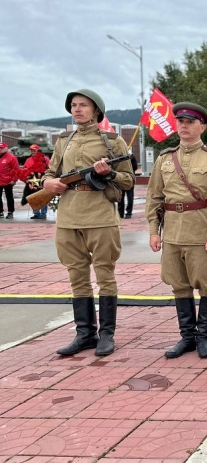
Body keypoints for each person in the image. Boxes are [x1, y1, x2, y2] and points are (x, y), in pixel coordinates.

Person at [42, 89, 135, 356]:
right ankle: (84, 334)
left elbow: (127, 180)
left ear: (96, 110)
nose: (77, 109)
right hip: (69, 215)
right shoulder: (64, 141)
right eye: (74, 105)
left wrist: (111, 172)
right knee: (76, 275)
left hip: (100, 214)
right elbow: (51, 173)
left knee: (105, 273)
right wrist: (48, 183)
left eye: (83, 105)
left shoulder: (113, 142)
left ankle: (106, 334)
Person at [146, 102, 207, 359]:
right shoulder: (164, 159)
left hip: (202, 232)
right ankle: (187, 337)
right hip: (173, 234)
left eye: (190, 122)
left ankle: (203, 337)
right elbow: (154, 197)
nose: (184, 126)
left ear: (202, 126)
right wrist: (154, 231)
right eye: (180, 122)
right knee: (179, 286)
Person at [21, 144, 50, 219]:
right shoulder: (28, 160)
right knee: (33, 197)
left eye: (34, 150)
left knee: (43, 197)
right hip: (32, 181)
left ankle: (43, 213)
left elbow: (50, 168)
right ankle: (36, 213)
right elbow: (24, 170)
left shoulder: (45, 159)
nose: (33, 152)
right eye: (31, 150)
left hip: (42, 180)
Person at [0, 142, 20, 219]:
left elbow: (16, 169)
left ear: (6, 148)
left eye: (2, 148)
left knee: (9, 197)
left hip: (8, 181)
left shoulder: (11, 157)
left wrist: (14, 180)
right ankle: (0, 211)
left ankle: (10, 212)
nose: (0, 149)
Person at [117, 153, 139, 218]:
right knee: (120, 197)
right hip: (121, 179)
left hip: (129, 179)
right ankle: (120, 213)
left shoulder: (131, 157)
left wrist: (129, 162)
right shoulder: (119, 158)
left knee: (130, 197)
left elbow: (135, 167)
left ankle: (129, 212)